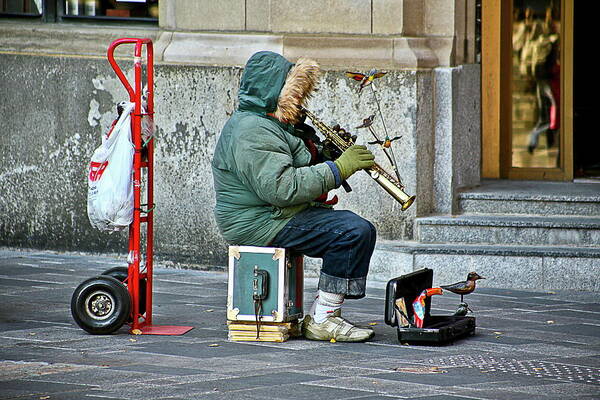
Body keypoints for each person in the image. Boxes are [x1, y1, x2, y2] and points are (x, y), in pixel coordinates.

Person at [211, 51, 377, 342]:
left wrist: (325, 155)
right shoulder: (252, 130)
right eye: (294, 94)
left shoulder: (269, 123)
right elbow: (282, 188)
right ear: (275, 92)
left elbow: (289, 167)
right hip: (260, 221)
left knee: (355, 228)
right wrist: (338, 168)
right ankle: (323, 317)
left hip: (273, 212)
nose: (300, 102)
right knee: (353, 231)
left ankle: (325, 312)